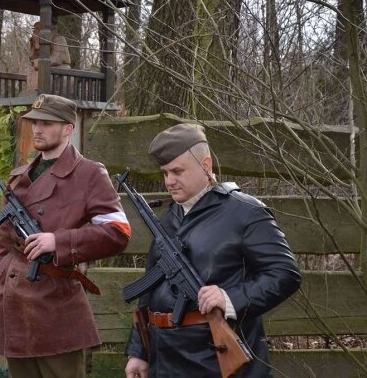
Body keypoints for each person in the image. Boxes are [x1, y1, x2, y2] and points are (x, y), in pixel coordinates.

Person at [124, 124, 302, 378]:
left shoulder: (246, 212)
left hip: (214, 361)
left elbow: (285, 274)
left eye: (177, 171)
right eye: (164, 173)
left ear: (206, 165)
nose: (169, 181)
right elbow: (149, 290)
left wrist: (229, 298)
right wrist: (139, 351)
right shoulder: (170, 216)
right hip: (163, 360)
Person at [0, 94, 132, 378]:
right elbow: (5, 242)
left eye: (47, 123)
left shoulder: (89, 174)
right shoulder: (19, 176)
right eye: (34, 122)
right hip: (13, 300)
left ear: (68, 129)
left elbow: (118, 232)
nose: (37, 129)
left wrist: (59, 241)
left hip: (55, 303)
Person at [26, 21, 71, 90]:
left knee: (45, 72)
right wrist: (35, 44)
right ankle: (32, 91)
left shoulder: (58, 39)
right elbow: (32, 58)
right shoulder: (39, 40)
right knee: (31, 69)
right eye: (34, 29)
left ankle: (43, 91)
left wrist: (38, 62)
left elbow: (57, 59)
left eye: (37, 28)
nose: (34, 31)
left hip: (60, 69)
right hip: (45, 67)